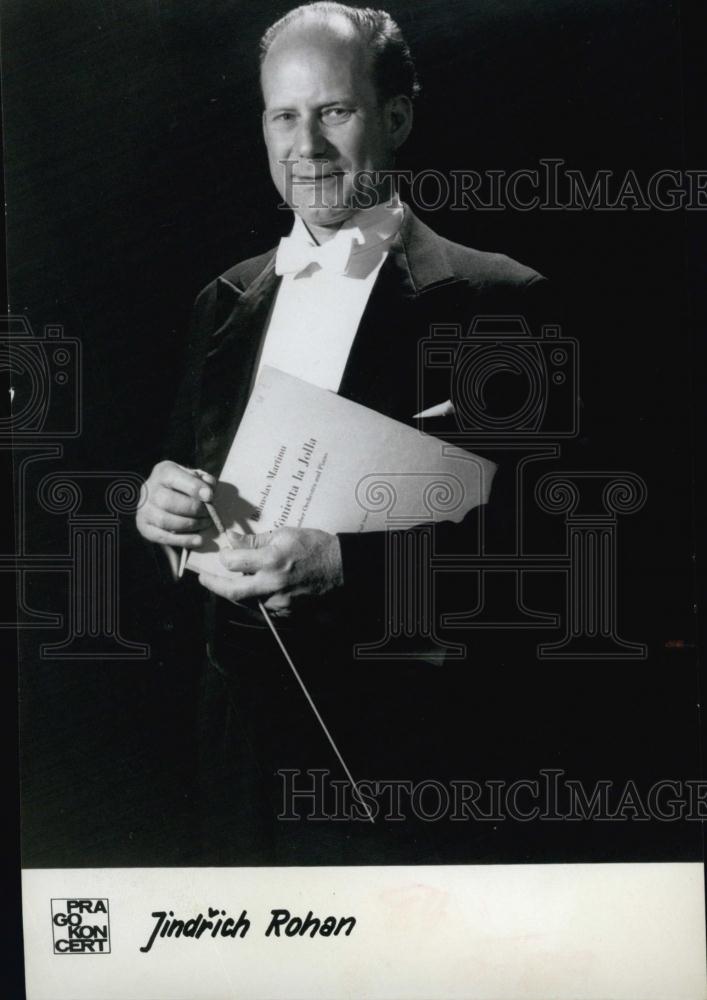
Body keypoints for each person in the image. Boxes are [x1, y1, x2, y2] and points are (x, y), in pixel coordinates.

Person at [136, 1, 552, 864]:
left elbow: (547, 551)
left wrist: (341, 566)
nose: (306, 146)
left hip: (410, 761)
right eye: (284, 116)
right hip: (239, 761)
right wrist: (160, 515)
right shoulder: (223, 301)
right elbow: (193, 497)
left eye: (334, 111)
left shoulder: (495, 301)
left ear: (395, 115)